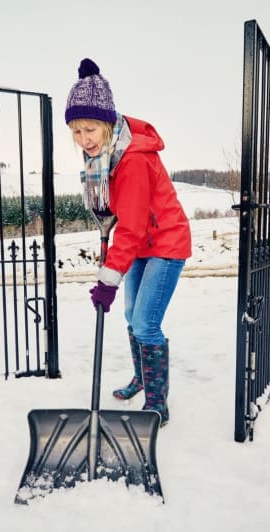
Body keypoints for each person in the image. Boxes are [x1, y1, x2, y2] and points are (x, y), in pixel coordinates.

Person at [65, 58, 192, 426]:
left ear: (107, 124)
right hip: (143, 244)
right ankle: (142, 377)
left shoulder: (131, 160)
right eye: (76, 131)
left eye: (90, 129)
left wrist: (109, 278)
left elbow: (133, 227)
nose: (84, 139)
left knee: (146, 324)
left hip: (165, 243)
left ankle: (157, 404)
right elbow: (120, 218)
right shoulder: (105, 158)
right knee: (130, 316)